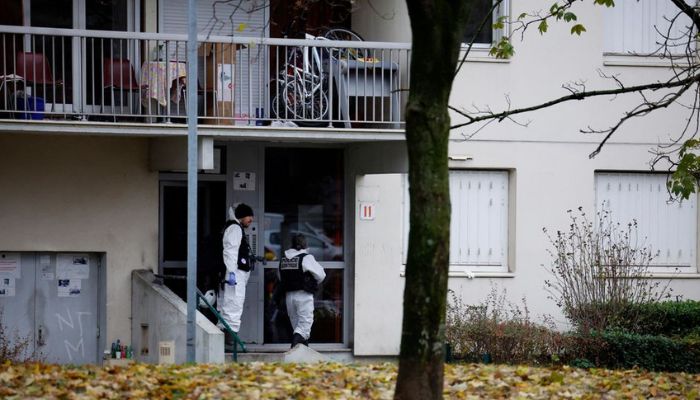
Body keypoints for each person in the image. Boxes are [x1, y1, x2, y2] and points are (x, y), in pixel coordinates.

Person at [278, 233, 326, 348]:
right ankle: (294, 347)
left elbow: (280, 277)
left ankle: (302, 351)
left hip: (289, 296)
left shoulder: (284, 259)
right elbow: (321, 275)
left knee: (296, 326)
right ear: (305, 244)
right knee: (304, 325)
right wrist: (311, 282)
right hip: (303, 295)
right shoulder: (306, 257)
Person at [219, 203, 255, 352]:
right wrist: (232, 272)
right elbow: (231, 252)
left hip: (234, 273)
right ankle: (231, 343)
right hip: (234, 275)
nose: (251, 219)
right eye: (249, 216)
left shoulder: (234, 228)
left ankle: (224, 340)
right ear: (241, 216)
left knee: (228, 306)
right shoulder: (234, 229)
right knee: (233, 305)